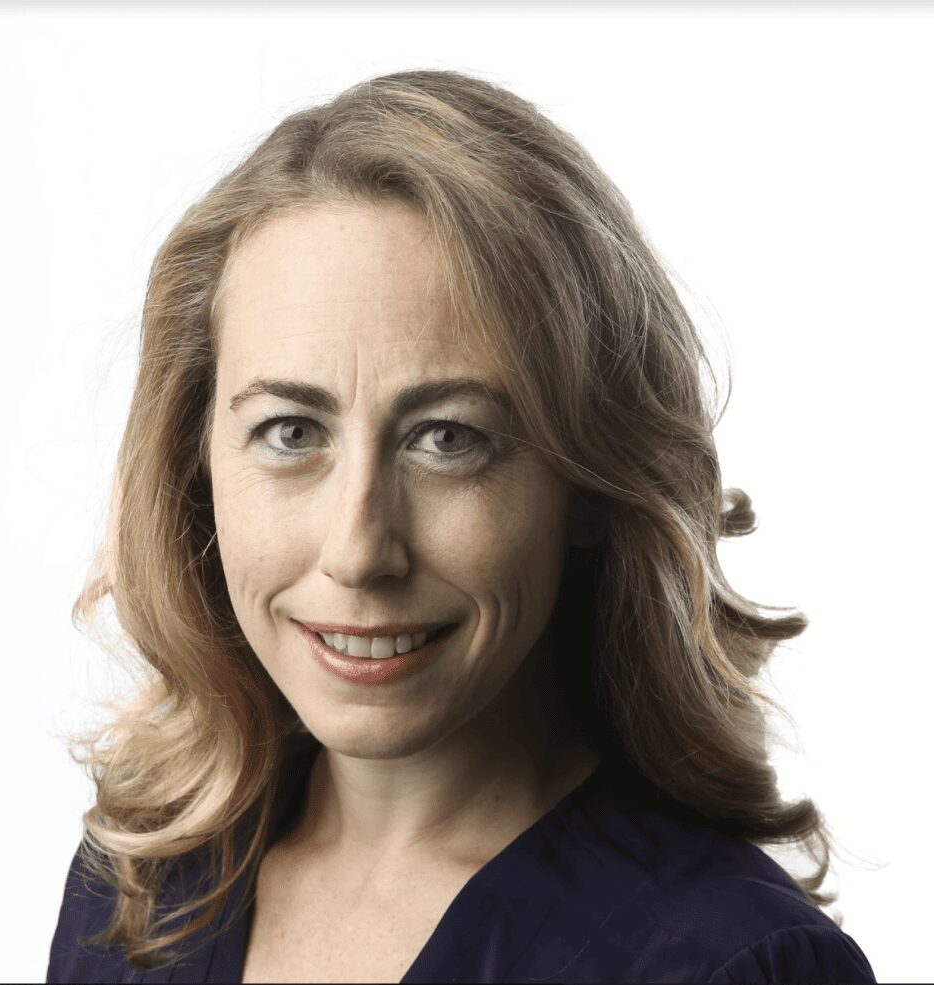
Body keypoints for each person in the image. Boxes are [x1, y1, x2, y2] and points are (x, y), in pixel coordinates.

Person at [46, 69, 877, 984]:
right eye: (291, 432)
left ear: (591, 485)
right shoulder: (137, 891)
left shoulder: (734, 962)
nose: (359, 551)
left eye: (449, 438)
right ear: (194, 464)